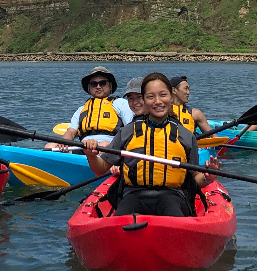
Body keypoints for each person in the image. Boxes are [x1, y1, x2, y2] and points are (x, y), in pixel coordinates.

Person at [84, 73, 202, 217]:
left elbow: (196, 177)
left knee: (171, 209)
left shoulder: (185, 136)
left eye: (163, 95)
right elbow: (100, 169)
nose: (158, 101)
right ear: (145, 100)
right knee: (122, 217)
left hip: (173, 195)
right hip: (133, 195)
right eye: (151, 97)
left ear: (171, 97)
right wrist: (91, 155)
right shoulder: (127, 132)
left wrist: (208, 178)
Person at [47, 66, 133, 151]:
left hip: (111, 147)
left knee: (104, 144)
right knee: (50, 146)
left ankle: (103, 159)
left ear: (110, 86)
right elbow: (71, 132)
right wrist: (63, 143)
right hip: (83, 146)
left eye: (102, 83)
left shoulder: (120, 103)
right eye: (94, 84)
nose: (98, 87)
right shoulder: (81, 110)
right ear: (89, 88)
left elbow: (131, 128)